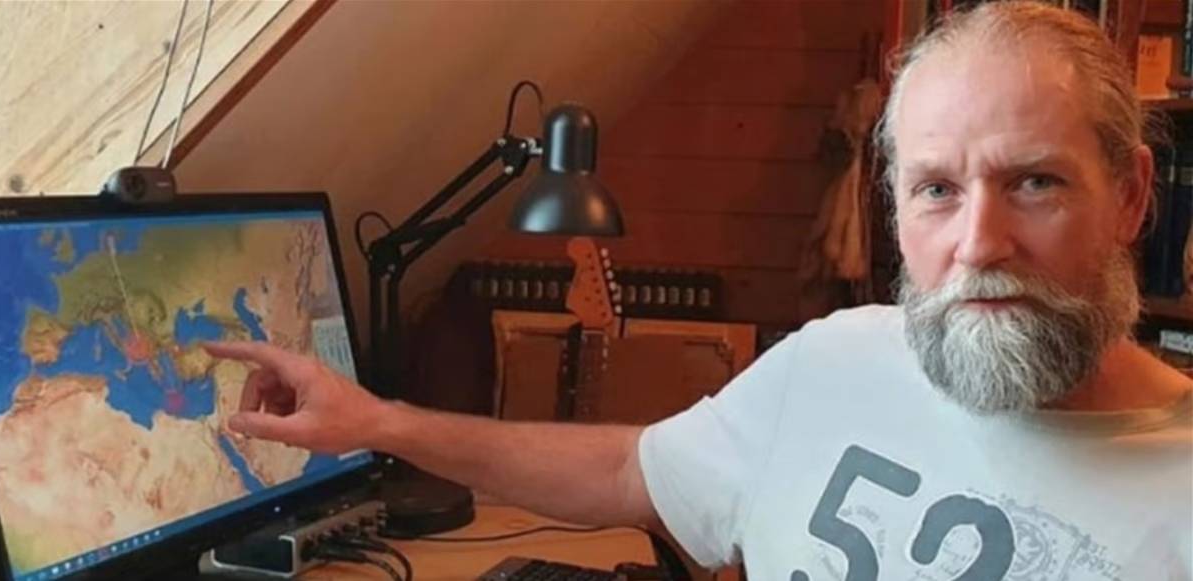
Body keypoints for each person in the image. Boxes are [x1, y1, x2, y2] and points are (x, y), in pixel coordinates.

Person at [206, 2, 1193, 578]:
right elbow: (627, 470)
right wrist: (376, 421)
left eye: (1035, 182)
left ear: (1131, 196)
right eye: (937, 189)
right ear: (894, 207)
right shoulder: (833, 359)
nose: (980, 241)